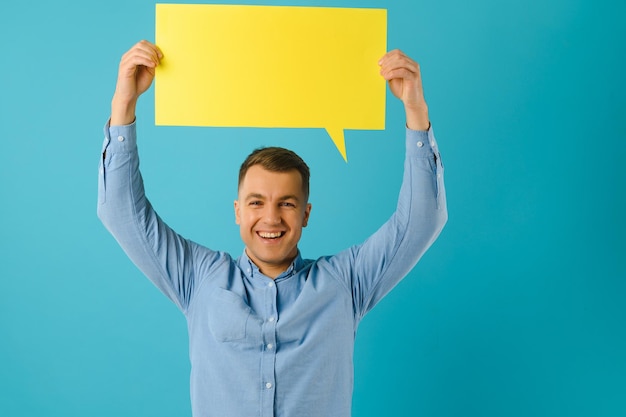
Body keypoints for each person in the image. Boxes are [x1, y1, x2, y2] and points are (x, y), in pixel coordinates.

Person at [98, 40, 447, 417]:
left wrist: (415, 110)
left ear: (306, 214)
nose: (271, 218)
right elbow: (121, 213)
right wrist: (124, 105)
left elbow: (421, 220)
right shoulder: (199, 278)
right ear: (237, 211)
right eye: (256, 202)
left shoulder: (344, 283)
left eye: (287, 203)